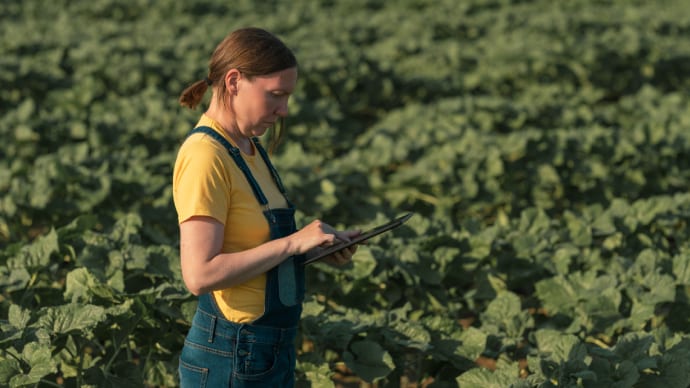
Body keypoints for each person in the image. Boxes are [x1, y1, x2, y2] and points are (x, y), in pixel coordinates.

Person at [173, 27, 359, 387]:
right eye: (276, 95)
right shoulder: (204, 156)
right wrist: (292, 243)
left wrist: (315, 248)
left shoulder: (248, 148)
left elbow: (253, 251)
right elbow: (199, 275)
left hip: (268, 349)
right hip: (230, 355)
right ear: (234, 81)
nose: (284, 110)